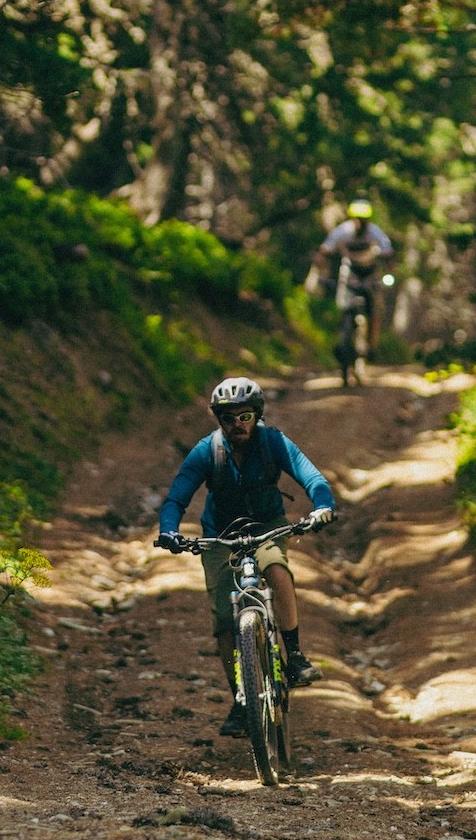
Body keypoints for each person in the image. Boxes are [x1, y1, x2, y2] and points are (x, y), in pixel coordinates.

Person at [155, 378, 336, 737]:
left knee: (277, 570)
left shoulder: (273, 442)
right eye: (228, 418)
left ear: (257, 416)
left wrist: (323, 506)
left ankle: (295, 656)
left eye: (245, 416)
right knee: (225, 619)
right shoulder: (207, 451)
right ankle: (241, 699)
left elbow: (311, 476)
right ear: (219, 420)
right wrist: (169, 529)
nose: (238, 424)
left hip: (267, 526)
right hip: (220, 535)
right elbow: (177, 497)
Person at [312, 199, 395, 356]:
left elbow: (388, 253)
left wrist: (389, 272)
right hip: (350, 273)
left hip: (370, 273)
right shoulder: (342, 231)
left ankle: (372, 346)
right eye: (356, 219)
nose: (359, 223)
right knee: (343, 306)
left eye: (363, 220)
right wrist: (319, 270)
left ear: (368, 221)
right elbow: (325, 251)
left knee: (374, 310)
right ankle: (341, 340)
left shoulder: (375, 233)